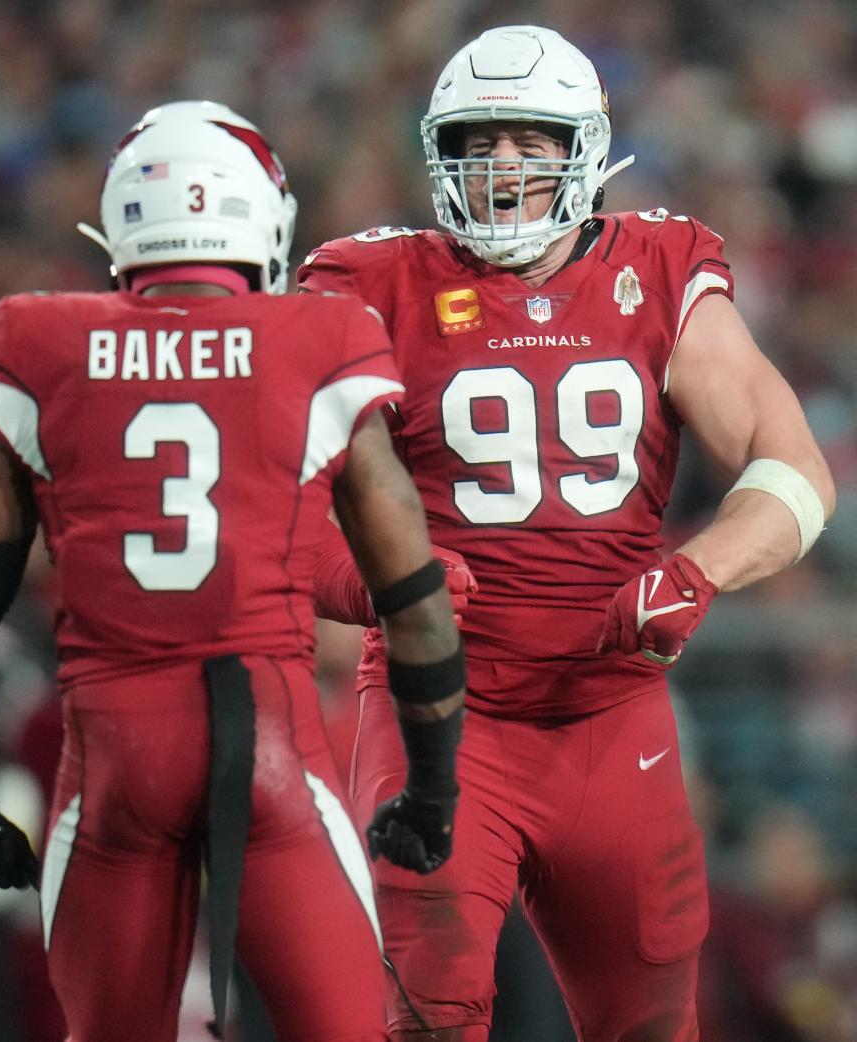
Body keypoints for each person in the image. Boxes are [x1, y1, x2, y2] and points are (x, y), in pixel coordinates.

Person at [298, 25, 836, 1042]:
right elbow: (274, 499)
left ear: (583, 146)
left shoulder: (662, 268)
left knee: (653, 1022)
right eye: (479, 136)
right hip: (438, 718)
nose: (502, 161)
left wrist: (697, 570)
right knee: (430, 1013)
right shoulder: (369, 282)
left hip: (611, 715)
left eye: (529, 136)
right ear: (438, 149)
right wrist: (371, 582)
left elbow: (793, 468)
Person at [0, 100, 467, 1042]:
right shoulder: (321, 337)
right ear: (261, 219)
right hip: (270, 741)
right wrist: (431, 792)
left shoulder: (36, 342)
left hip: (113, 760)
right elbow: (413, 602)